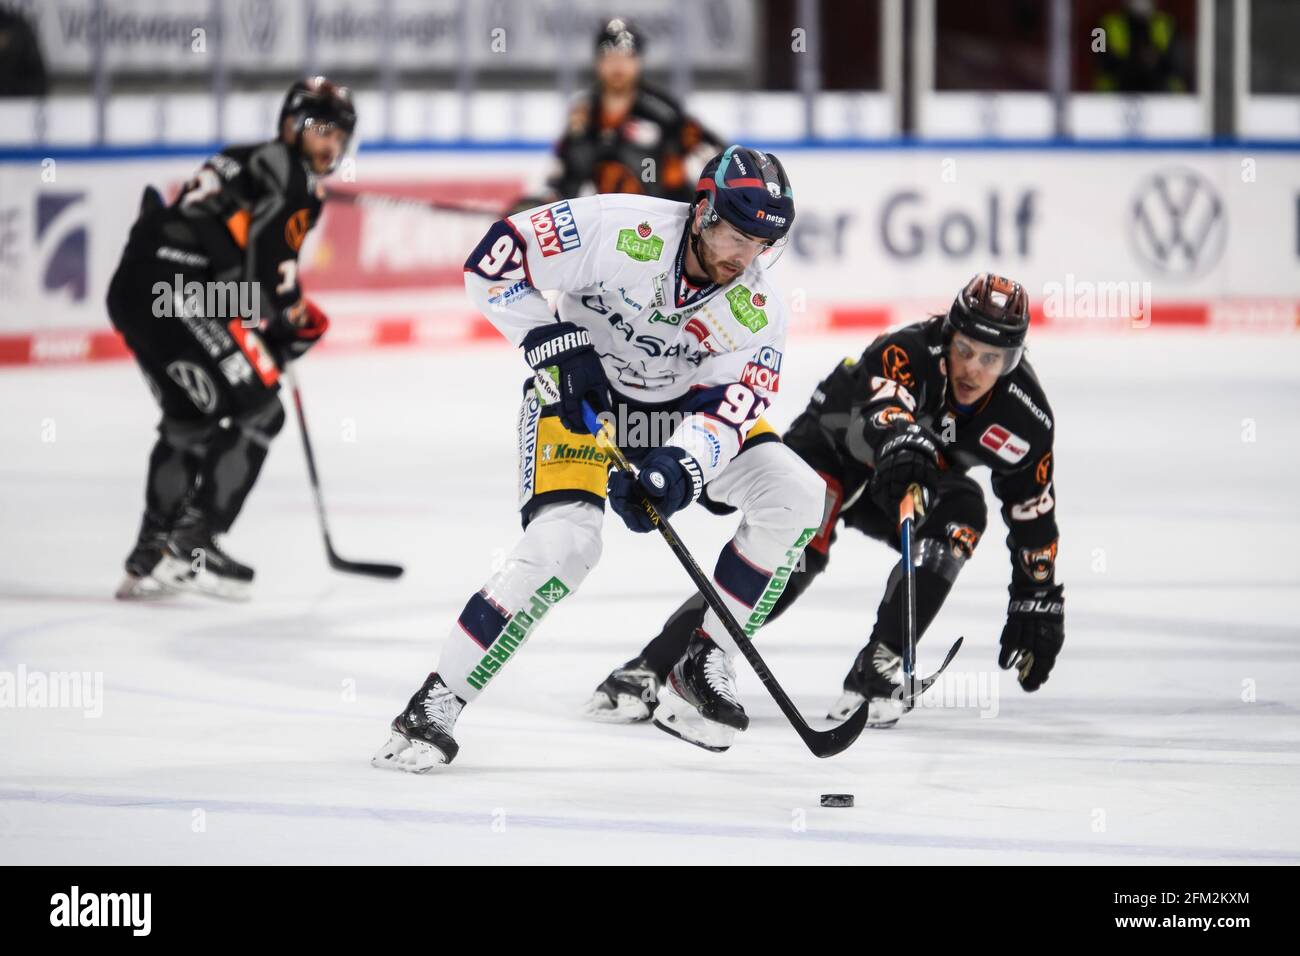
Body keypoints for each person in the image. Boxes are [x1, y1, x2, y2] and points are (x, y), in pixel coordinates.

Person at [373, 146, 826, 771]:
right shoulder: (619, 227)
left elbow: (731, 409)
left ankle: (704, 661)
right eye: (736, 235)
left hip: (676, 417)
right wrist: (550, 340)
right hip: (580, 403)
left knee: (797, 494)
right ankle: (437, 702)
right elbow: (494, 259)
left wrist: (680, 467)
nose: (744, 257)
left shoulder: (758, 309)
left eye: (761, 245)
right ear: (702, 211)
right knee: (565, 546)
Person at [585, 273, 1065, 730]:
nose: (974, 369)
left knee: (962, 513)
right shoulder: (907, 350)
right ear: (948, 335)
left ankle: (880, 664)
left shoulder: (1026, 416)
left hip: (904, 479)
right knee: (789, 566)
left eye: (992, 359)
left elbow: (1033, 509)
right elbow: (882, 411)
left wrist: (1036, 595)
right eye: (965, 350)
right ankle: (653, 665)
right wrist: (901, 440)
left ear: (1014, 360)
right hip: (830, 451)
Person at [108, 77, 355, 600]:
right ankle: (191, 544)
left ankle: (152, 554)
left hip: (136, 289)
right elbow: (263, 281)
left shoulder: (244, 158)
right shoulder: (291, 177)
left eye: (340, 135)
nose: (331, 144)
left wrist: (278, 325)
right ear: (291, 125)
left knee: (190, 418)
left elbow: (233, 267)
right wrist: (292, 321)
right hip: (181, 290)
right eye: (322, 129)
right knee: (262, 411)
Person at [516, 18, 722, 211]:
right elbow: (564, 177)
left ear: (638, 61)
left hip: (667, 222)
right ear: (598, 62)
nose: (618, 65)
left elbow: (715, 159)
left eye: (626, 57)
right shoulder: (584, 115)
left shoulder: (663, 112)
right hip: (610, 224)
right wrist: (542, 204)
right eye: (610, 57)